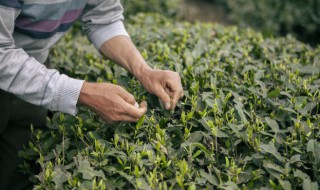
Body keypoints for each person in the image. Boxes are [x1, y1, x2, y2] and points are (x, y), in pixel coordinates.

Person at [0, 0, 183, 189]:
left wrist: (144, 70)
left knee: (17, 169)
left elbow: (104, 18)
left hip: (35, 68)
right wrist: (82, 92)